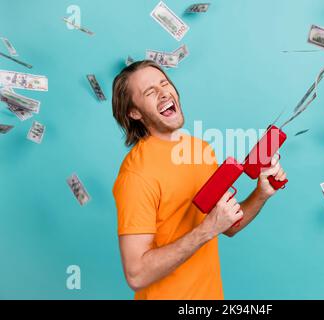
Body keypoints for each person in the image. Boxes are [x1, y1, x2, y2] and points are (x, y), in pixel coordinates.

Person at [111, 60, 287, 300]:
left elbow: (228, 226)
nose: (163, 93)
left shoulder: (200, 150)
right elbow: (136, 275)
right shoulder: (136, 175)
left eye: (164, 83)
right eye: (150, 92)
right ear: (134, 112)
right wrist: (206, 230)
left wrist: (261, 193)